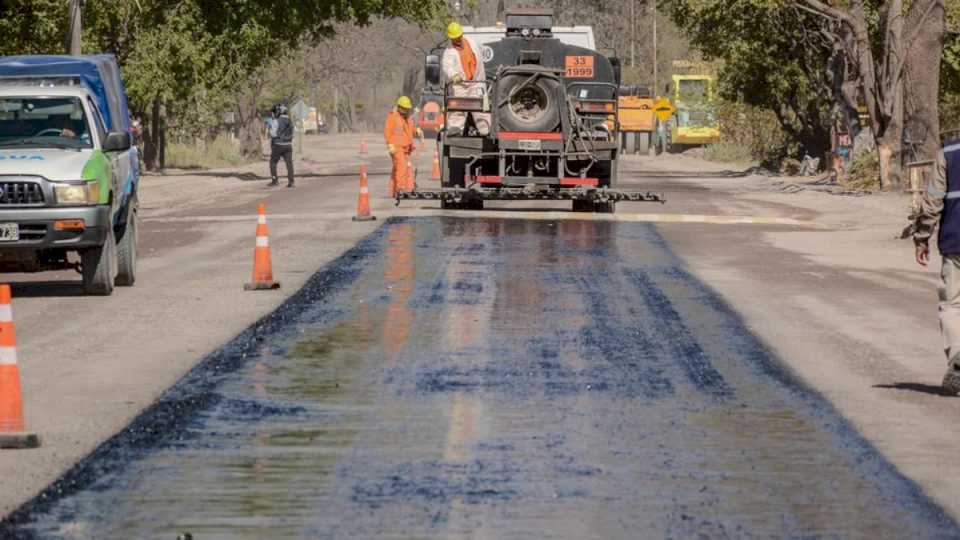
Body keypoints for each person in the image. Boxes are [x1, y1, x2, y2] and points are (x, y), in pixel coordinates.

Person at [914, 143, 960, 395]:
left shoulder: (949, 154)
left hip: (955, 242)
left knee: (952, 305)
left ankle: (957, 357)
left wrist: (922, 238)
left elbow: (932, 200)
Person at [442, 22, 490, 136]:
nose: (457, 39)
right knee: (458, 107)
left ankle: (485, 130)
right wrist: (453, 75)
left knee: (481, 108)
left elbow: (479, 57)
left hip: (477, 81)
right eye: (454, 38)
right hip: (460, 84)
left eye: (458, 37)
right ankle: (455, 129)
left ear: (461, 34)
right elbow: (447, 66)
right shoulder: (449, 52)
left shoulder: (472, 43)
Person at [384, 96, 422, 197]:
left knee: (400, 168)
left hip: (406, 148)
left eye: (407, 108)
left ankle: (395, 190)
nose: (407, 110)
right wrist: (389, 144)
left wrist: (416, 131)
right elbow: (387, 131)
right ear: (399, 107)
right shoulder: (393, 117)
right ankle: (400, 189)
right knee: (401, 166)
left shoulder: (407, 118)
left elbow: (410, 130)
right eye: (405, 108)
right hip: (396, 147)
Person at [269, 104, 295, 188]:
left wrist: (271, 129)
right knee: (289, 163)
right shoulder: (290, 121)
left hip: (278, 145)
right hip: (288, 145)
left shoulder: (276, 121)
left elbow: (273, 134)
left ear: (279, 112)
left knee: (273, 162)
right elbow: (293, 134)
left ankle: (274, 180)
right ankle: (291, 182)